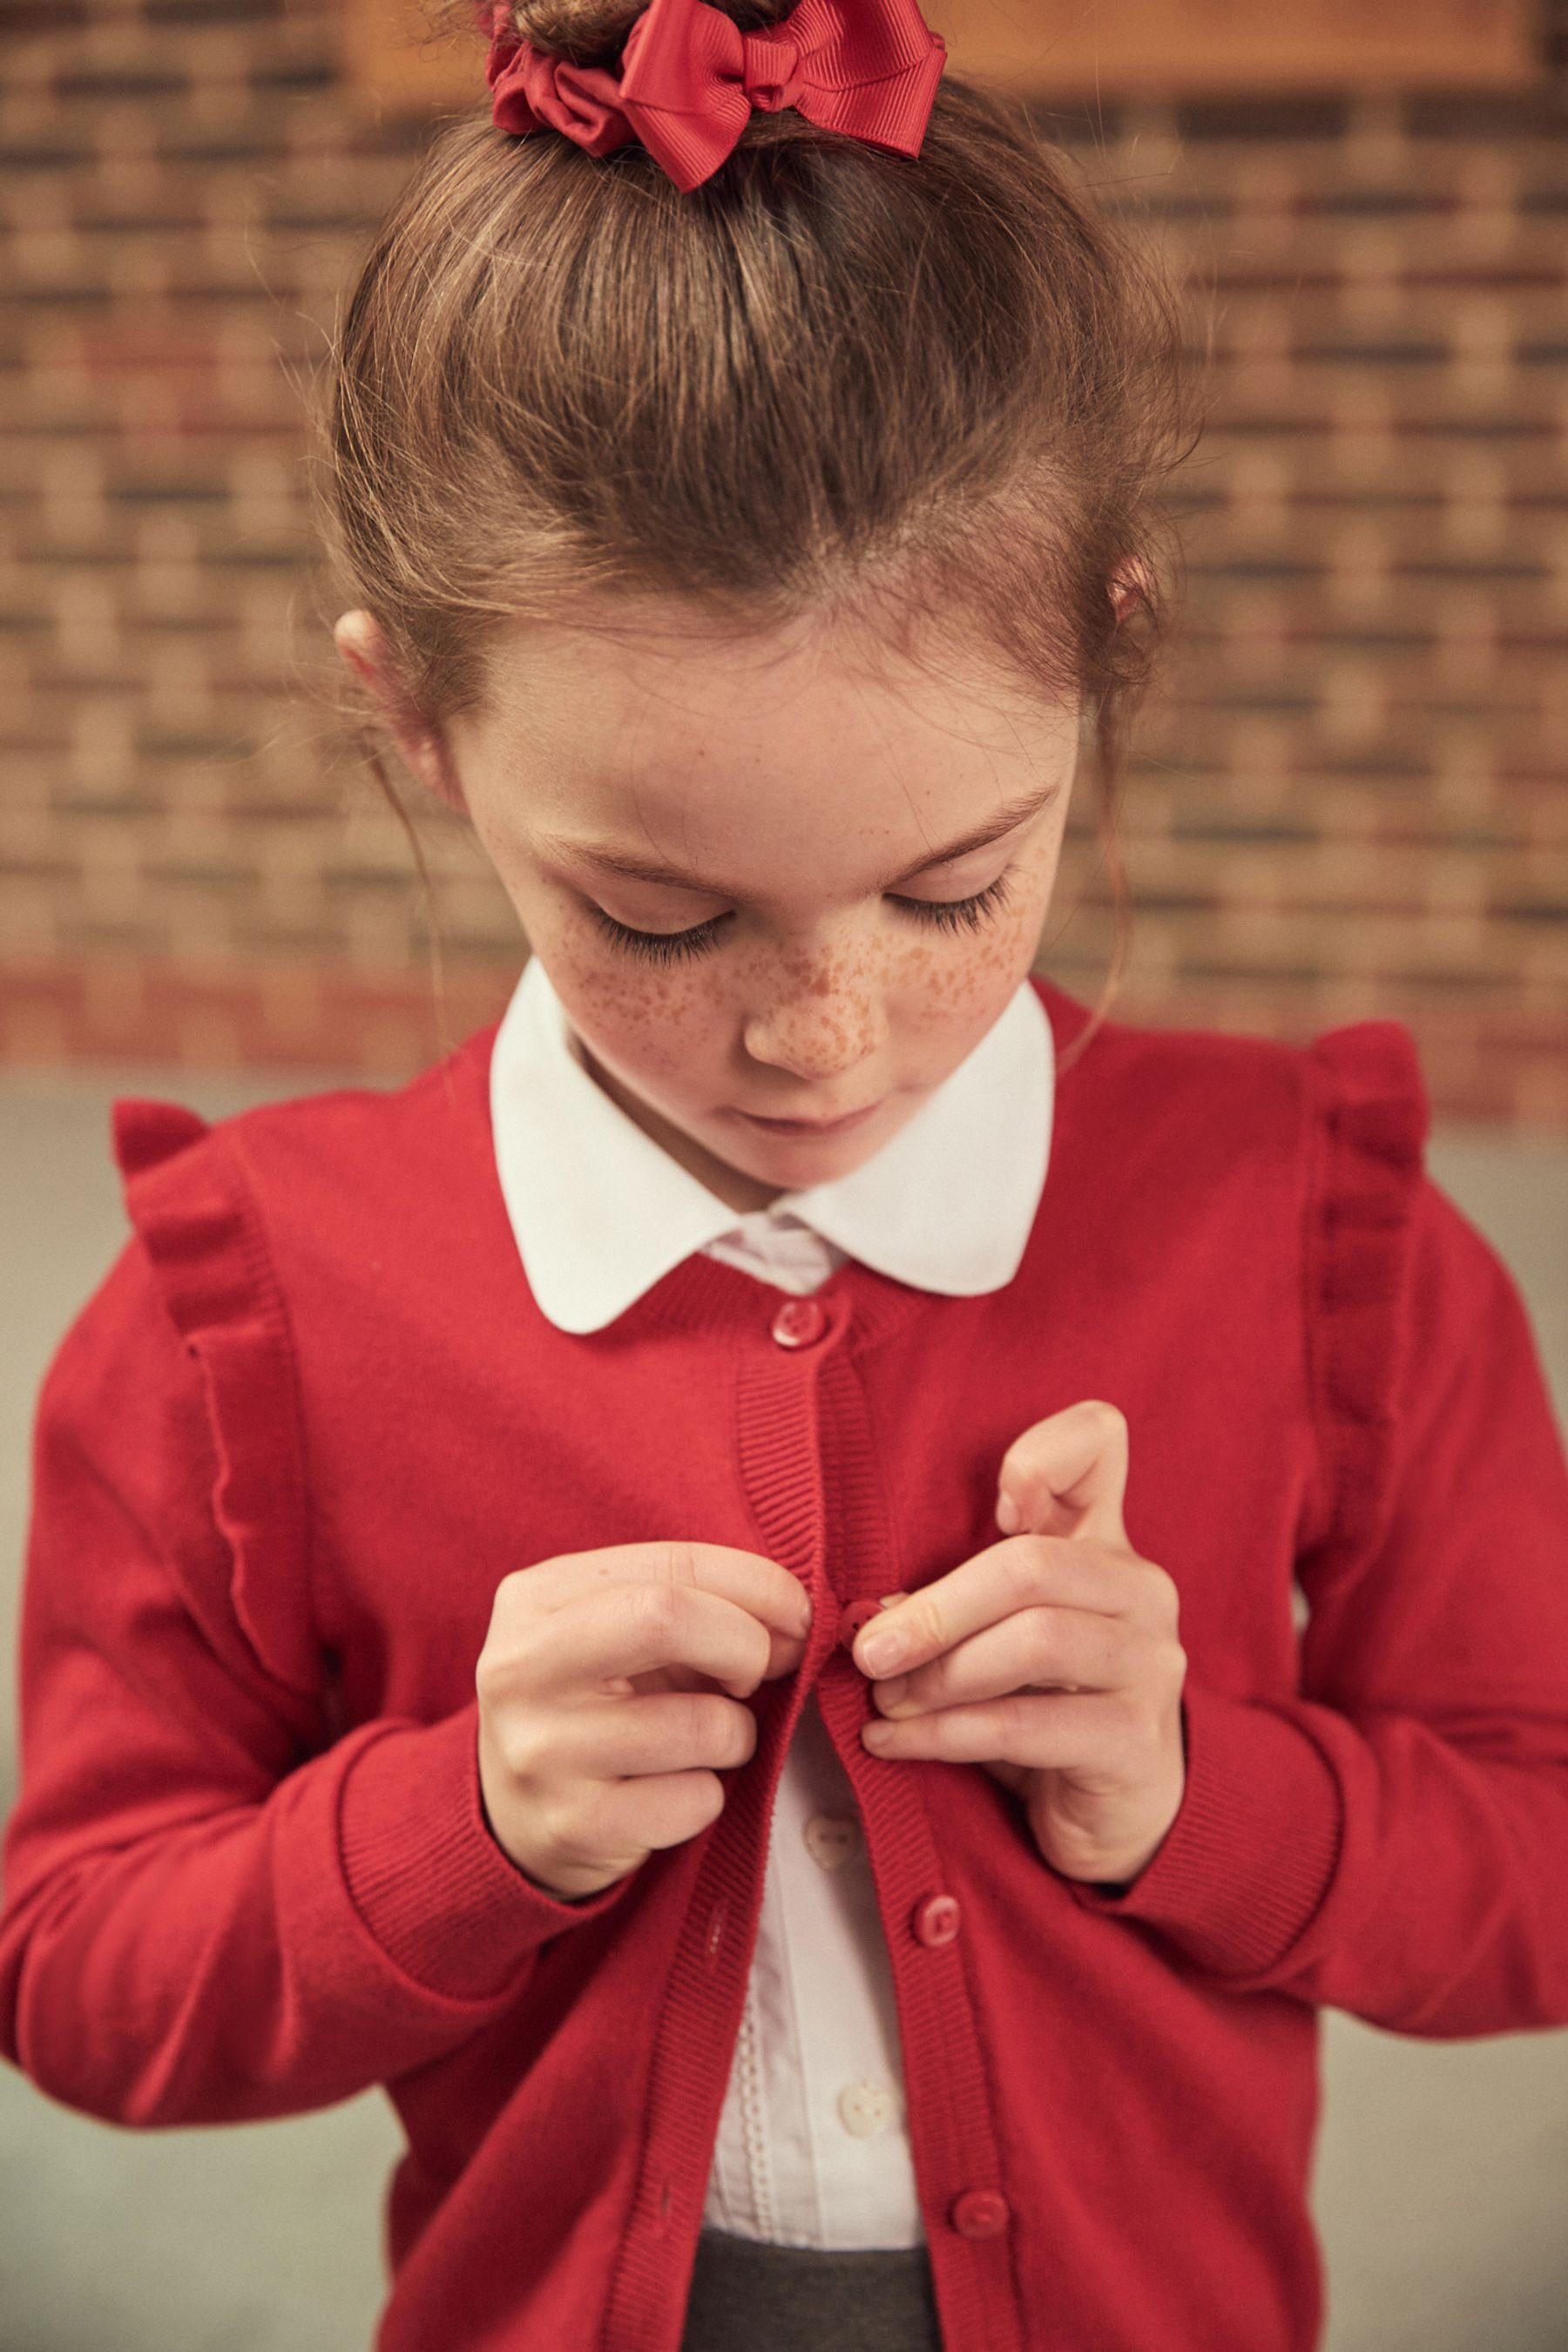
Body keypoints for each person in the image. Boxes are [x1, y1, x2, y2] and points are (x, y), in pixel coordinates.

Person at [3, 0, 1568, 2347]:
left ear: (1108, 648)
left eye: (956, 887)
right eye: (658, 914)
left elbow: (1537, 1858)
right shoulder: (248, 1311)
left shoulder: (1328, 1239)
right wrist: (463, 1823)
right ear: (410, 723)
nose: (823, 1036)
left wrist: (1199, 1788)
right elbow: (78, 1972)